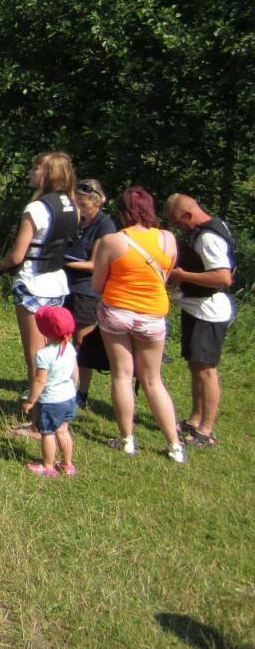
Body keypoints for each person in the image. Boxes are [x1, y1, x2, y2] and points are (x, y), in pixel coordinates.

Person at [91, 186, 185, 462]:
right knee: (153, 380)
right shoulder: (168, 239)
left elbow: (97, 284)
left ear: (123, 211)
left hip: (117, 311)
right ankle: (174, 445)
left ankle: (127, 439)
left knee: (122, 374)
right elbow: (165, 276)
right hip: (152, 314)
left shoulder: (113, 241)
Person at [0, 152, 78, 390]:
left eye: (36, 168)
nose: (31, 172)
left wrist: (0, 266)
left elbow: (18, 255)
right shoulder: (71, 205)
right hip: (57, 282)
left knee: (35, 351)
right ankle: (61, 398)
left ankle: (36, 414)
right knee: (57, 347)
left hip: (33, 281)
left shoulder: (37, 207)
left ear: (48, 174)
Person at [165, 193, 236, 448]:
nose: (178, 228)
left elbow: (223, 278)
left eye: (178, 222)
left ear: (188, 214)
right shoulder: (211, 227)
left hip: (209, 310)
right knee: (196, 366)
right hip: (196, 307)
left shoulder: (208, 237)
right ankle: (195, 420)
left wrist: (184, 275)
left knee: (206, 370)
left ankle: (206, 430)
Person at [62, 179, 116, 406]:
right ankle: (61, 384)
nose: (79, 208)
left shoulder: (105, 226)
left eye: (82, 204)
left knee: (82, 342)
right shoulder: (76, 221)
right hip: (65, 285)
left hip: (87, 290)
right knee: (61, 337)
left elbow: (97, 264)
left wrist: (66, 262)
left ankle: (81, 391)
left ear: (95, 203)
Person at [20, 305, 79, 477]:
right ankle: (67, 465)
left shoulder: (44, 354)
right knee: (63, 431)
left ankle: (48, 466)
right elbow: (75, 372)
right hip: (68, 397)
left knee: (47, 433)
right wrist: (74, 389)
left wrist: (31, 400)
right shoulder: (70, 347)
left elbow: (40, 380)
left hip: (51, 401)